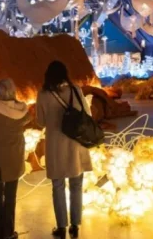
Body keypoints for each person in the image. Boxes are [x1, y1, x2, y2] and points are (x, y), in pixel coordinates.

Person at [36, 61, 93, 239]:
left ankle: (61, 227)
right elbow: (88, 115)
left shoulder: (43, 94)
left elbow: (40, 121)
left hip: (55, 146)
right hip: (76, 145)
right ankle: (75, 226)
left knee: (58, 186)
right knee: (76, 186)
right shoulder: (76, 90)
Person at [0, 78, 31, 239]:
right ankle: (8, 232)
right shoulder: (22, 112)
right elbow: (29, 119)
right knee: (11, 196)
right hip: (13, 158)